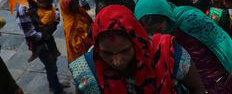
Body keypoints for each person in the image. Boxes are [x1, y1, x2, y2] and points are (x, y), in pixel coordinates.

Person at [71, 5, 205, 93]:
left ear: (137, 41)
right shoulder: (87, 72)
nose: (117, 61)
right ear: (97, 48)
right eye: (107, 53)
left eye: (125, 51)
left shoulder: (167, 53)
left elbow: (198, 89)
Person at [135, 0, 232, 92]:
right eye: (149, 34)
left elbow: (223, 41)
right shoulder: (146, 40)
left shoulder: (191, 19)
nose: (155, 36)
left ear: (167, 17)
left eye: (159, 30)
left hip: (225, 81)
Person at [16, 0, 65, 94]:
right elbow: (30, 35)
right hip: (39, 44)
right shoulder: (22, 10)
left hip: (48, 38)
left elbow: (54, 8)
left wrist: (54, 24)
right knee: (51, 66)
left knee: (53, 60)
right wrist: (45, 32)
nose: (40, 4)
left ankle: (53, 84)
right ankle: (57, 90)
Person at [58, 0, 93, 64]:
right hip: (83, 54)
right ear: (67, 8)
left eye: (77, 3)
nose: (77, 6)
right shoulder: (69, 25)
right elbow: (74, 45)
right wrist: (88, 33)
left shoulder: (78, 12)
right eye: (74, 5)